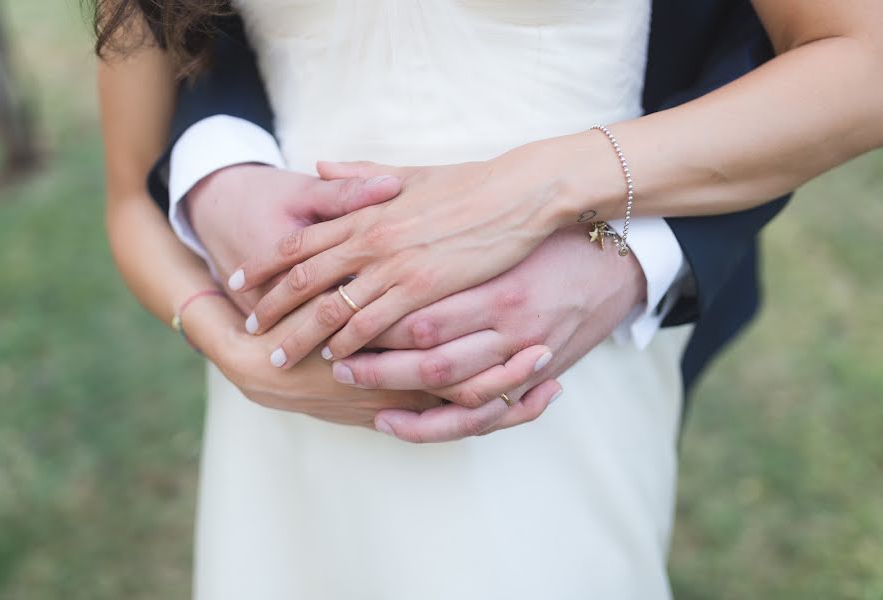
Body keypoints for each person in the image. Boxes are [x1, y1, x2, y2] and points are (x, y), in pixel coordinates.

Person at [95, 1, 883, 597]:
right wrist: (230, 339)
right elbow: (131, 186)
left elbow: (863, 56)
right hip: (287, 400)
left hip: (553, 368)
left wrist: (543, 194)